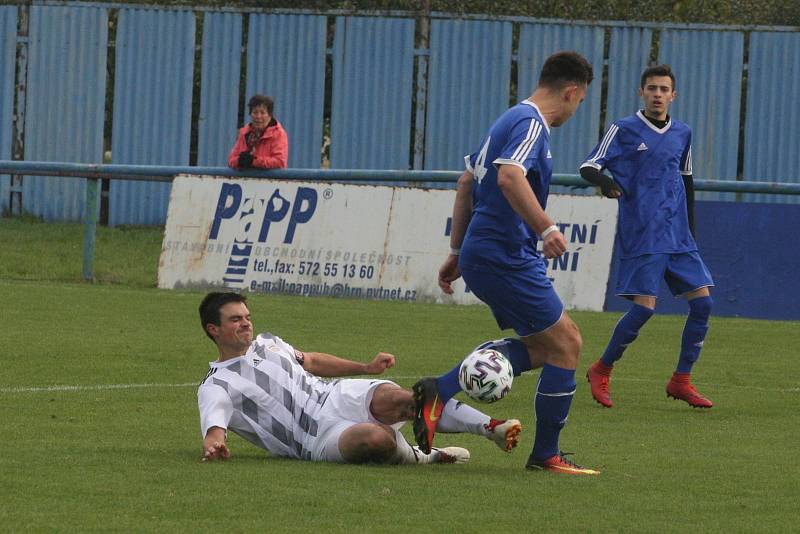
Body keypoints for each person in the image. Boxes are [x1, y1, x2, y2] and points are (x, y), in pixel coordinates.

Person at [413, 51, 599, 475]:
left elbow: (466, 184)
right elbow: (509, 176)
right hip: (504, 253)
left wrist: (459, 251)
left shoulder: (507, 120)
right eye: (581, 101)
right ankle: (546, 456)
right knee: (567, 343)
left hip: (486, 251)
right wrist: (546, 228)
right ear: (571, 92)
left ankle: (438, 392)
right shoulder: (532, 124)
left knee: (545, 346)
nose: (576, 109)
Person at [197, 291, 522, 465]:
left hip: (335, 395)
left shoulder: (268, 343)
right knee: (375, 438)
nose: (246, 324)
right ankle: (425, 457)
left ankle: (491, 428)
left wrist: (365, 368)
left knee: (405, 400)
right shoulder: (217, 385)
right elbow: (215, 427)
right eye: (236, 320)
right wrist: (215, 444)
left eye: (247, 317)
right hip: (313, 438)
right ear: (214, 329)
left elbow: (310, 361)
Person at [579, 64, 714, 409]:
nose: (657, 94)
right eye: (651, 88)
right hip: (644, 232)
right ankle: (601, 369)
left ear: (673, 95)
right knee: (644, 310)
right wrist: (607, 183)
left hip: (679, 235)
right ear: (642, 92)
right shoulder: (623, 129)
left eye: (663, 89)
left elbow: (686, 179)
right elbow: (590, 166)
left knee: (703, 303)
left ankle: (681, 379)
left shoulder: (683, 132)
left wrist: (692, 231)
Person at [227, 94, 288, 170]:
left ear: (270, 115)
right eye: (255, 112)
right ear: (250, 114)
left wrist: (254, 161)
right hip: (245, 181)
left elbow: (279, 162)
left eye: (262, 113)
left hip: (269, 180)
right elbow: (231, 160)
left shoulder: (279, 134)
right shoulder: (244, 133)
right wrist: (239, 161)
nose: (258, 116)